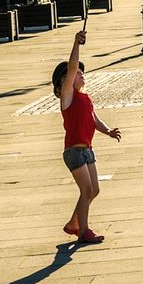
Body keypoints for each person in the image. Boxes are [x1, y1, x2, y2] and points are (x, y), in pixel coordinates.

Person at [52, 31, 121, 244]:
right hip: (73, 152)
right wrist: (76, 43)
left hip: (87, 150)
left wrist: (108, 131)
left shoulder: (85, 98)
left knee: (95, 190)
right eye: (77, 73)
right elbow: (72, 67)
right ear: (66, 81)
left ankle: (74, 223)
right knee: (87, 190)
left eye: (82, 73)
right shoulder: (68, 97)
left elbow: (94, 120)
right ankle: (83, 231)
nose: (81, 74)